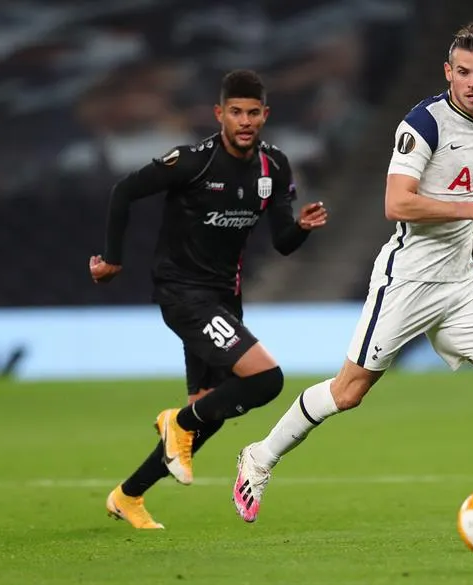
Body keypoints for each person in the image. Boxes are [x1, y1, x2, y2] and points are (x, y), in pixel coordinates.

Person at [229, 24, 473, 545]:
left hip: (460, 284)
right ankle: (259, 456)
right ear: (448, 73)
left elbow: (472, 186)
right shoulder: (424, 123)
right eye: (463, 72)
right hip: (408, 279)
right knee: (349, 393)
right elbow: (398, 203)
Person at [89, 69, 328, 529]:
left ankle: (129, 495)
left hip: (224, 298)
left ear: (265, 115)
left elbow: (281, 241)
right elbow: (124, 191)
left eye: (253, 113)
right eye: (235, 112)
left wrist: (301, 227)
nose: (244, 121)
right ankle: (174, 420)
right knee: (266, 380)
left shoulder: (274, 166)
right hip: (183, 293)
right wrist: (113, 259)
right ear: (220, 114)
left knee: (209, 410)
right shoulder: (192, 162)